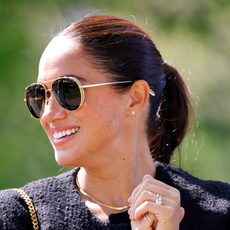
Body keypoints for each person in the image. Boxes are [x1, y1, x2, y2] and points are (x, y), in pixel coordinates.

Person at [0, 15, 230, 230]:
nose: (48, 114)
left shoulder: (221, 211)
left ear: (135, 98)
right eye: (39, 95)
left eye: (68, 91)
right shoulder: (18, 216)